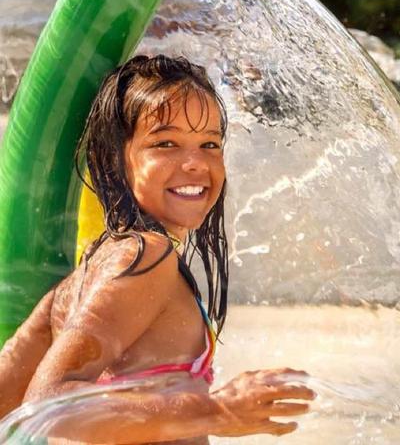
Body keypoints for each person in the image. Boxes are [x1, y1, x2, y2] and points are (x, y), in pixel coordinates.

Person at [0, 55, 314, 443]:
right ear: (115, 160)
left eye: (209, 143)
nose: (196, 163)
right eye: (165, 143)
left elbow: (4, 401)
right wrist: (218, 410)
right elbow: (49, 406)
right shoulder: (147, 256)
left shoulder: (77, 283)